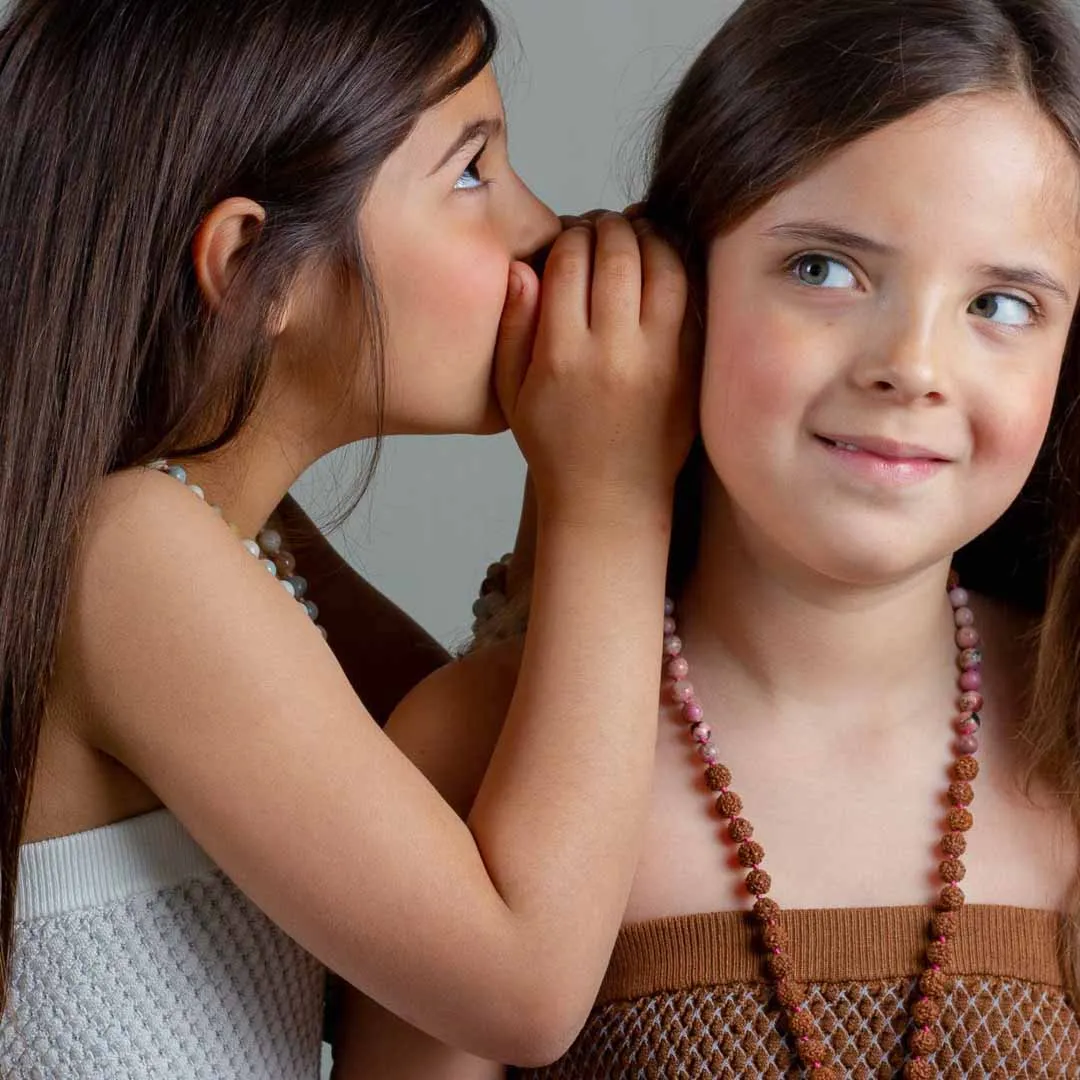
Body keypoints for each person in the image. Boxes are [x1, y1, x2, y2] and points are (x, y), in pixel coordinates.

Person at [345, 0, 1080, 1075]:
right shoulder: (476, 749)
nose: (913, 365)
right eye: (825, 269)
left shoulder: (1065, 732)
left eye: (1004, 304)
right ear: (674, 286)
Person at [0, 0, 695, 1075]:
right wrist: (610, 500)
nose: (541, 227)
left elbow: (480, 776)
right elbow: (521, 986)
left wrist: (573, 483)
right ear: (252, 269)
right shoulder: (129, 555)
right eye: (473, 175)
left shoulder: (240, 535)